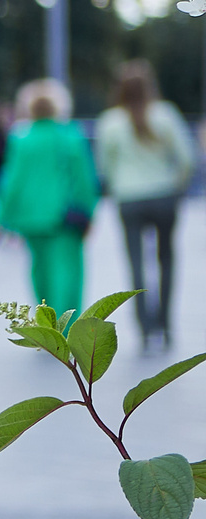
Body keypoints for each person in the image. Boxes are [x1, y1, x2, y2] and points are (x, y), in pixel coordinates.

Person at [96, 60, 197, 350]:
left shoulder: (110, 121)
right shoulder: (165, 114)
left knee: (136, 263)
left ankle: (144, 327)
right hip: (164, 196)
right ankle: (165, 323)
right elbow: (187, 159)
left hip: (129, 199)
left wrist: (118, 186)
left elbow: (105, 166)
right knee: (166, 260)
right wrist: (177, 186)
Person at [0, 78, 100, 316]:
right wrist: (89, 211)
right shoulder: (71, 136)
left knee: (39, 271)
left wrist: (3, 216)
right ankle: (68, 325)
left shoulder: (21, 139)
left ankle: (49, 323)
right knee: (68, 273)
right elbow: (85, 180)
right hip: (65, 217)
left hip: (31, 217)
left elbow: (11, 182)